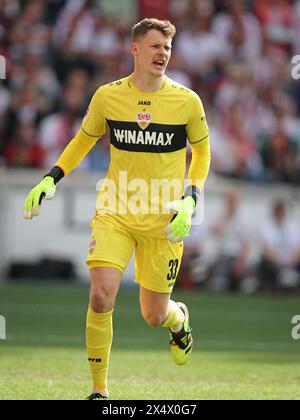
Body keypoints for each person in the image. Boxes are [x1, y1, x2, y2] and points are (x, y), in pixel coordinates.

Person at [23, 18, 211, 400]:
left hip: (163, 219)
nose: (163, 54)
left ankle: (179, 319)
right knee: (101, 295)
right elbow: (83, 139)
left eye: (168, 48)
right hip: (116, 210)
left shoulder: (187, 101)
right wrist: (51, 177)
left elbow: (202, 152)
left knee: (154, 315)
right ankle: (99, 391)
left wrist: (191, 197)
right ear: (136, 49)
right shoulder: (107, 96)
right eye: (156, 46)